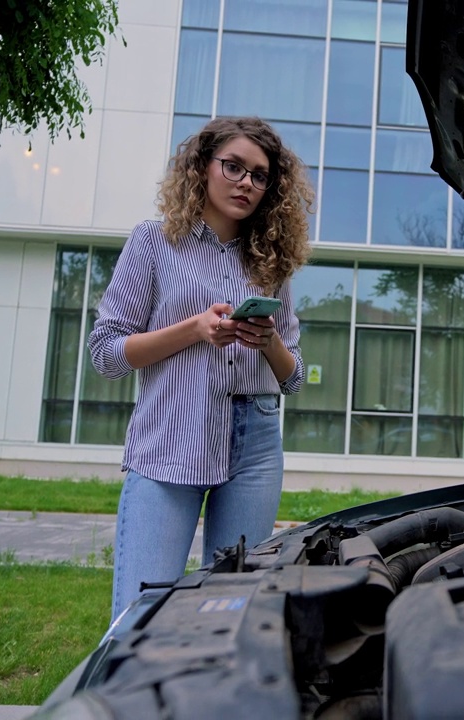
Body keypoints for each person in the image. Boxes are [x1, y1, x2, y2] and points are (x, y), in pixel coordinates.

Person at [88, 116, 313, 624]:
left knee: (232, 616)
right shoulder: (153, 242)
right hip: (172, 434)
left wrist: (268, 339)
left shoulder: (270, 264)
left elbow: (294, 377)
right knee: (138, 615)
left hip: (255, 447)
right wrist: (193, 330)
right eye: (233, 166)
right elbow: (106, 354)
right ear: (201, 167)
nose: (246, 183)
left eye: (259, 175)